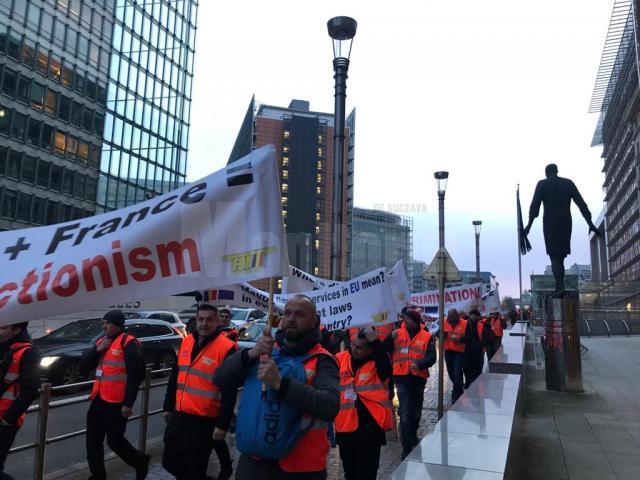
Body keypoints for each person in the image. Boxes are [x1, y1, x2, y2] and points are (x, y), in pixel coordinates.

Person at [213, 294, 339, 479]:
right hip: (254, 462)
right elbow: (220, 378)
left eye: (299, 314)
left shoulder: (323, 360)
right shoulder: (266, 352)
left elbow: (329, 406)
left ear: (314, 322)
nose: (291, 319)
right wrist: (251, 354)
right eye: (287, 313)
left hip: (300, 468)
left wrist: (280, 384)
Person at [162, 304, 237, 480]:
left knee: (195, 468)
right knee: (169, 462)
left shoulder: (227, 348)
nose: (204, 323)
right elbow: (175, 376)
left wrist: (222, 425)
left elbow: (229, 391)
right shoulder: (187, 341)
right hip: (180, 415)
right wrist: (168, 406)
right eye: (200, 319)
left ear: (217, 322)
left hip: (204, 420)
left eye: (209, 320)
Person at [80, 310, 149, 480]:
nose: (105, 326)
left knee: (115, 441)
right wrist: (96, 350)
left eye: (108, 323)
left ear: (118, 324)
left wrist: (128, 404)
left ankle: (140, 462)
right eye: (103, 323)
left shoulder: (129, 342)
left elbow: (135, 375)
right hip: (98, 399)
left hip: (117, 403)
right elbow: (84, 367)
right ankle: (98, 475)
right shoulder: (102, 341)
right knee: (92, 442)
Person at [524, 163, 600, 297]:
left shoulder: (542, 184)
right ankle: (560, 287)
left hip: (550, 223)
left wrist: (528, 226)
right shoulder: (568, 183)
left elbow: (534, 207)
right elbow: (581, 204)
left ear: (547, 173)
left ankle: (559, 288)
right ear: (557, 171)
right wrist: (590, 223)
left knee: (554, 256)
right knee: (560, 257)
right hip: (565, 222)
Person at [335, 327, 392, 480]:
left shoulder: (378, 363)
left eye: (359, 348)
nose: (354, 349)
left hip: (370, 430)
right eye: (353, 344)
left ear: (370, 349)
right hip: (345, 427)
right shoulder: (340, 358)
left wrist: (375, 340)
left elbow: (387, 368)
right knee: (350, 472)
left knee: (367, 473)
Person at [383, 309, 436, 459]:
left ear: (414, 320)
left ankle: (412, 434)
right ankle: (406, 447)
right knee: (405, 412)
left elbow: (432, 357)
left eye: (407, 318)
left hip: (418, 378)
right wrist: (389, 338)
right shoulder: (397, 333)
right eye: (404, 318)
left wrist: (419, 364)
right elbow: (384, 348)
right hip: (400, 378)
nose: (404, 321)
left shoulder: (426, 336)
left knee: (416, 411)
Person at [0, 322, 39, 480]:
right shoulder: (3, 347)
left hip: (4, 420)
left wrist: (9, 419)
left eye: (3, 328)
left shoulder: (28, 353)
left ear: (17, 329)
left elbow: (30, 390)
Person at [463, 309, 493, 388]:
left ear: (478, 316)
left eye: (475, 315)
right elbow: (463, 336)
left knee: (477, 369)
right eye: (472, 315)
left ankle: (475, 384)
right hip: (467, 350)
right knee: (466, 368)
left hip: (478, 351)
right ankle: (468, 381)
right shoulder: (465, 324)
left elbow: (488, 338)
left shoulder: (482, 325)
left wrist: (480, 344)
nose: (473, 317)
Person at [443, 308, 467, 404]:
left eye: (452, 316)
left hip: (459, 351)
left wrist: (460, 340)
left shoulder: (465, 323)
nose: (450, 318)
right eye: (449, 316)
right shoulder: (444, 322)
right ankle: (459, 388)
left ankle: (455, 394)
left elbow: (469, 337)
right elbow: (437, 333)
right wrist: (441, 335)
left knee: (457, 372)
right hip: (448, 351)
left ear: (457, 315)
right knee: (451, 373)